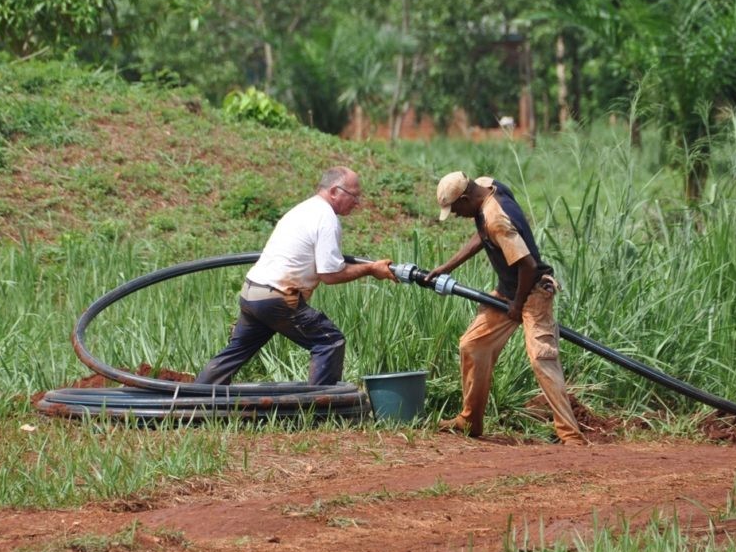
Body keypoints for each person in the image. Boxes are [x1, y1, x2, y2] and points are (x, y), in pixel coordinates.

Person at [426, 171, 588, 445]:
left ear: (466, 198)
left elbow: (528, 265)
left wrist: (516, 305)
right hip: (508, 291)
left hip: (533, 291)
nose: (455, 215)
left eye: (455, 209)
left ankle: (571, 436)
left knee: (542, 359)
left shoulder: (496, 217)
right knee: (472, 345)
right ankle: (470, 421)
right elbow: (483, 235)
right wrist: (447, 267)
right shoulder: (487, 188)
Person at [196, 166, 396, 386]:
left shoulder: (303, 209)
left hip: (252, 292)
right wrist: (371, 269)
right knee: (330, 342)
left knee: (235, 352)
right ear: (334, 191)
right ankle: (320, 410)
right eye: (353, 195)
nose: (357, 202)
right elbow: (330, 274)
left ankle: (194, 400)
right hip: (277, 297)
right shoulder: (326, 218)